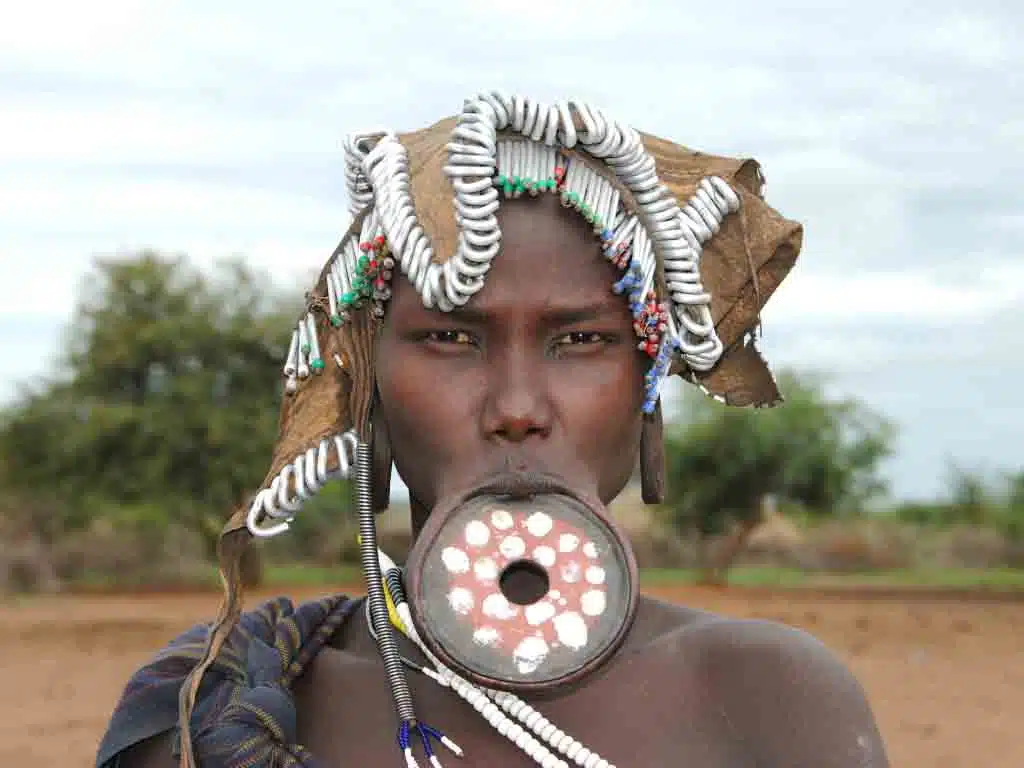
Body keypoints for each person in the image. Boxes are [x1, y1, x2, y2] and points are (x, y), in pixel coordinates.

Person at [96, 92, 890, 767]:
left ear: (646, 392)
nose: (516, 407)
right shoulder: (217, 710)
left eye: (581, 340)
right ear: (368, 390)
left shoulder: (770, 701)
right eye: (450, 337)